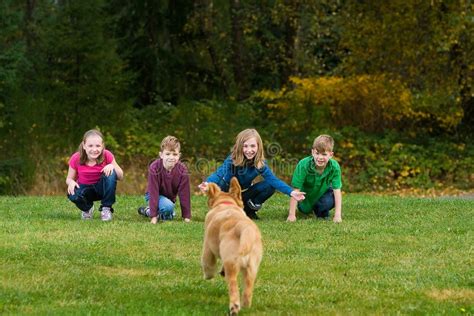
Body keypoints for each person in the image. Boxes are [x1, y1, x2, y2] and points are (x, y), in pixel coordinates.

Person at [198, 128, 305, 219]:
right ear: (240, 147)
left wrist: (291, 192)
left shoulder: (260, 163)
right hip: (228, 194)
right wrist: (207, 183)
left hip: (244, 196)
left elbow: (274, 180)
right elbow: (219, 173)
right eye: (245, 146)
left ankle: (249, 210)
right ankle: (220, 208)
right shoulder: (232, 160)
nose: (249, 150)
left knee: (269, 185)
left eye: (253, 146)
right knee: (221, 182)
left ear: (258, 147)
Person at [66, 129, 124, 221]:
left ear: (102, 146)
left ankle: (106, 209)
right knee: (71, 193)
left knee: (112, 172)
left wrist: (112, 166)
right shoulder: (76, 158)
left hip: (102, 189)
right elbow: (68, 179)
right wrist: (71, 182)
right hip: (85, 190)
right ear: (84, 145)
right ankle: (87, 208)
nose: (94, 149)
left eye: (98, 146)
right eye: (90, 146)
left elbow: (121, 176)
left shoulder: (107, 155)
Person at [287, 134, 342, 223]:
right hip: (305, 197)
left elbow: (337, 190)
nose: (320, 157)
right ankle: (314, 208)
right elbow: (296, 189)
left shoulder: (334, 167)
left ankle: (321, 211)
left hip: (323, 193)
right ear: (312, 152)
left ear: (331, 155)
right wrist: (291, 215)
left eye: (324, 154)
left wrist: (337, 215)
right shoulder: (303, 165)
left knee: (328, 200)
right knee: (305, 210)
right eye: (317, 153)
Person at [137, 136, 191, 224]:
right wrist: (153, 217)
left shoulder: (183, 170)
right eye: (167, 154)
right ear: (161, 155)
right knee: (168, 207)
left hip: (169, 198)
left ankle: (147, 211)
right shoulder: (154, 168)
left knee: (168, 213)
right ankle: (152, 212)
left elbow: (184, 194)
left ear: (179, 156)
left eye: (175, 154)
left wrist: (186, 216)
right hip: (152, 194)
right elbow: (154, 191)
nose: (171, 157)